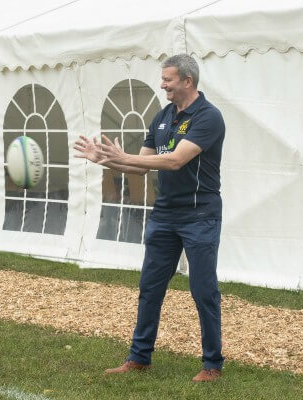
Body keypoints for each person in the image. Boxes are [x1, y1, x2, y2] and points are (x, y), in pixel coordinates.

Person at [74, 54, 225, 382]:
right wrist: (103, 159)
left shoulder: (208, 117)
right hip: (165, 216)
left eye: (168, 79)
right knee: (150, 287)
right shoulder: (162, 117)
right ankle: (139, 358)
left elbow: (174, 161)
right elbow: (138, 165)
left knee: (203, 290)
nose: (162, 85)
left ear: (187, 81)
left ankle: (212, 364)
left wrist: (122, 155)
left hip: (200, 216)